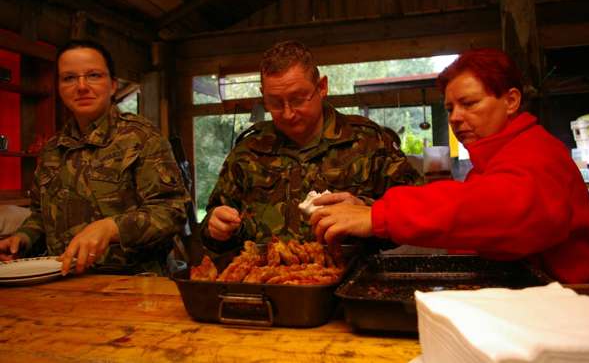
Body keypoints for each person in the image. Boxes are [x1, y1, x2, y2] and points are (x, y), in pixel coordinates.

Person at [311, 48, 589, 284]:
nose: (455, 118)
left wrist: (379, 215)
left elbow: (497, 210)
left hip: (571, 309)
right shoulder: (489, 164)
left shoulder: (537, 153)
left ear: (511, 100)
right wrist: (366, 208)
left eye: (469, 103)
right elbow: (464, 227)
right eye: (450, 108)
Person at [199, 40, 420, 251]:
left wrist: (367, 211)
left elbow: (418, 214)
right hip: (268, 281)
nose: (287, 113)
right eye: (275, 103)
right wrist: (216, 228)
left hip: (350, 281)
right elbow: (213, 226)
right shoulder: (248, 151)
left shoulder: (369, 142)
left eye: (297, 99)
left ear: (322, 87)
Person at [0, 40, 190, 275]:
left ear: (112, 85)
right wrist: (23, 237)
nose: (81, 86)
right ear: (59, 88)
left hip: (134, 286)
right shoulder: (52, 150)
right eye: (69, 78)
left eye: (93, 75)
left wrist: (112, 228)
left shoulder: (141, 138)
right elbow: (41, 215)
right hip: (61, 284)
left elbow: (172, 213)